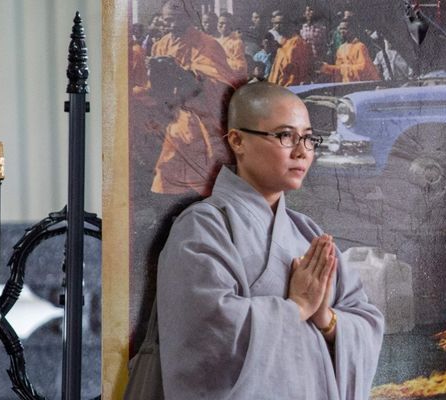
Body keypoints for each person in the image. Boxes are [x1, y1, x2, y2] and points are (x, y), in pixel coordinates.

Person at [156, 81, 384, 399]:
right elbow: (205, 335)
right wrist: (297, 308)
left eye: (308, 138)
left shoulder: (307, 233)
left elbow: (365, 319)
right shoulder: (201, 229)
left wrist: (327, 319)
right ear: (237, 141)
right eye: (285, 135)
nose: (302, 151)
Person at [147, 0, 240, 196]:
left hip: (199, 116)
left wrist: (184, 73)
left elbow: (221, 82)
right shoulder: (161, 44)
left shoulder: (207, 43)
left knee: (197, 169)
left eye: (175, 19)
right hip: (171, 114)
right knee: (168, 166)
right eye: (166, 20)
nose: (170, 25)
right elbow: (156, 86)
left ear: (188, 17)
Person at [268, 14, 314, 86]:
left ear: (288, 25)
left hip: (290, 87)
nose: (277, 26)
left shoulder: (297, 43)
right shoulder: (282, 43)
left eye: (280, 23)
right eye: (275, 23)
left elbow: (291, 65)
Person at [216, 12, 249, 79]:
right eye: (220, 23)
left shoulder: (237, 42)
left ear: (231, 25)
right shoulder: (215, 41)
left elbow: (240, 65)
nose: (223, 26)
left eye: (226, 23)